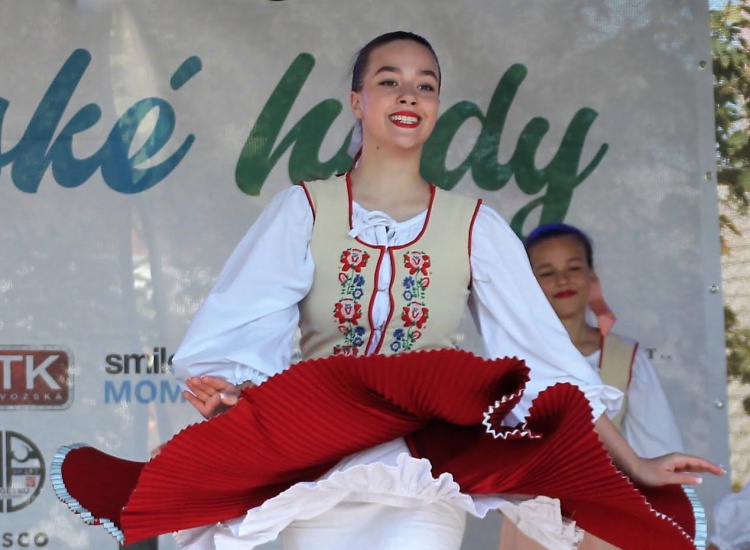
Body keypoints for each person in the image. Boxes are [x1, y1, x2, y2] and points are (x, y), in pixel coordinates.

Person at [51, 31, 722, 550]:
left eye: (425, 86)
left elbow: (548, 363)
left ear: (436, 108)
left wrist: (635, 462)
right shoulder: (303, 212)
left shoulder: (475, 226)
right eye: (389, 81)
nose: (409, 96)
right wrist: (234, 396)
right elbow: (240, 331)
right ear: (358, 101)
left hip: (423, 470)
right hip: (318, 464)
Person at [499, 222, 689, 550]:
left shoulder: (626, 357)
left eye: (574, 267)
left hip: (609, 521)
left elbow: (657, 448)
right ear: (528, 284)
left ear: (592, 275)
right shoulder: (512, 361)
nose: (563, 280)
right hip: (534, 520)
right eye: (547, 272)